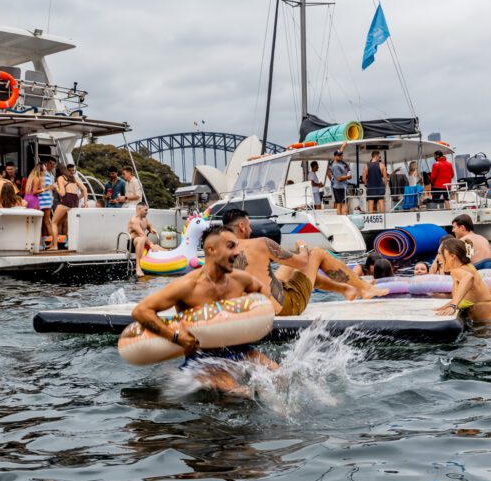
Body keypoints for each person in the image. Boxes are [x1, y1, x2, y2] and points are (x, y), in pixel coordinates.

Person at [131, 225, 277, 394]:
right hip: (203, 359)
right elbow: (141, 311)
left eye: (237, 246)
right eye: (231, 246)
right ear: (211, 250)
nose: (237, 252)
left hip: (240, 350)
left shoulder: (240, 279)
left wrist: (264, 318)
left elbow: (263, 291)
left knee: (277, 374)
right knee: (238, 393)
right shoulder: (187, 286)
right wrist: (174, 336)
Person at [222, 209, 386, 316]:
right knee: (316, 253)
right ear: (242, 226)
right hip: (285, 307)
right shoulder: (261, 243)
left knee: (289, 265)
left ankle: (346, 289)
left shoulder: (219, 252)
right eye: (249, 225)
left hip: (257, 307)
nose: (251, 230)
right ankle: (365, 289)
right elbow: (301, 263)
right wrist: (301, 247)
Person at [435, 238, 491, 321]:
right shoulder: (468, 267)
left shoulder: (457, 271)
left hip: (487, 327)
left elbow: (468, 277)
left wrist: (453, 306)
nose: (437, 257)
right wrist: (442, 308)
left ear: (452, 256)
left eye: (440, 253)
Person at [49, 164, 88, 250]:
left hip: (66, 201)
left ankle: (55, 246)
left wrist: (56, 188)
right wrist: (85, 202)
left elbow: (62, 193)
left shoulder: (60, 178)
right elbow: (84, 189)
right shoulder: (73, 178)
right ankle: (52, 244)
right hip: (74, 202)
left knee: (54, 223)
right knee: (59, 223)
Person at [128, 203, 164, 277]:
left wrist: (151, 229)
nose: (147, 212)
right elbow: (142, 235)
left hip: (144, 243)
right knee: (141, 239)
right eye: (146, 210)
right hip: (133, 244)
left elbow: (149, 226)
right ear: (139, 209)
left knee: (160, 248)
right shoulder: (134, 221)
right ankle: (138, 267)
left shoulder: (144, 219)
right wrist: (151, 244)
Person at [326, 148, 350, 215]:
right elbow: (339, 178)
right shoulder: (336, 165)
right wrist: (348, 176)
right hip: (340, 187)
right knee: (343, 203)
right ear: (335, 156)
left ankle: (340, 218)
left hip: (337, 187)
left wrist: (344, 145)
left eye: (341, 155)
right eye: (338, 155)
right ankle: (344, 218)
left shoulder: (338, 163)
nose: (340, 156)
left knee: (339, 203)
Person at [38, 157, 57, 240]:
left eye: (54, 164)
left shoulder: (50, 175)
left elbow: (51, 188)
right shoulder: (46, 175)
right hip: (44, 199)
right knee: (44, 221)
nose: (52, 166)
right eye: (50, 164)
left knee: (46, 221)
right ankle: (47, 239)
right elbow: (51, 187)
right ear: (47, 164)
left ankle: (52, 241)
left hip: (46, 199)